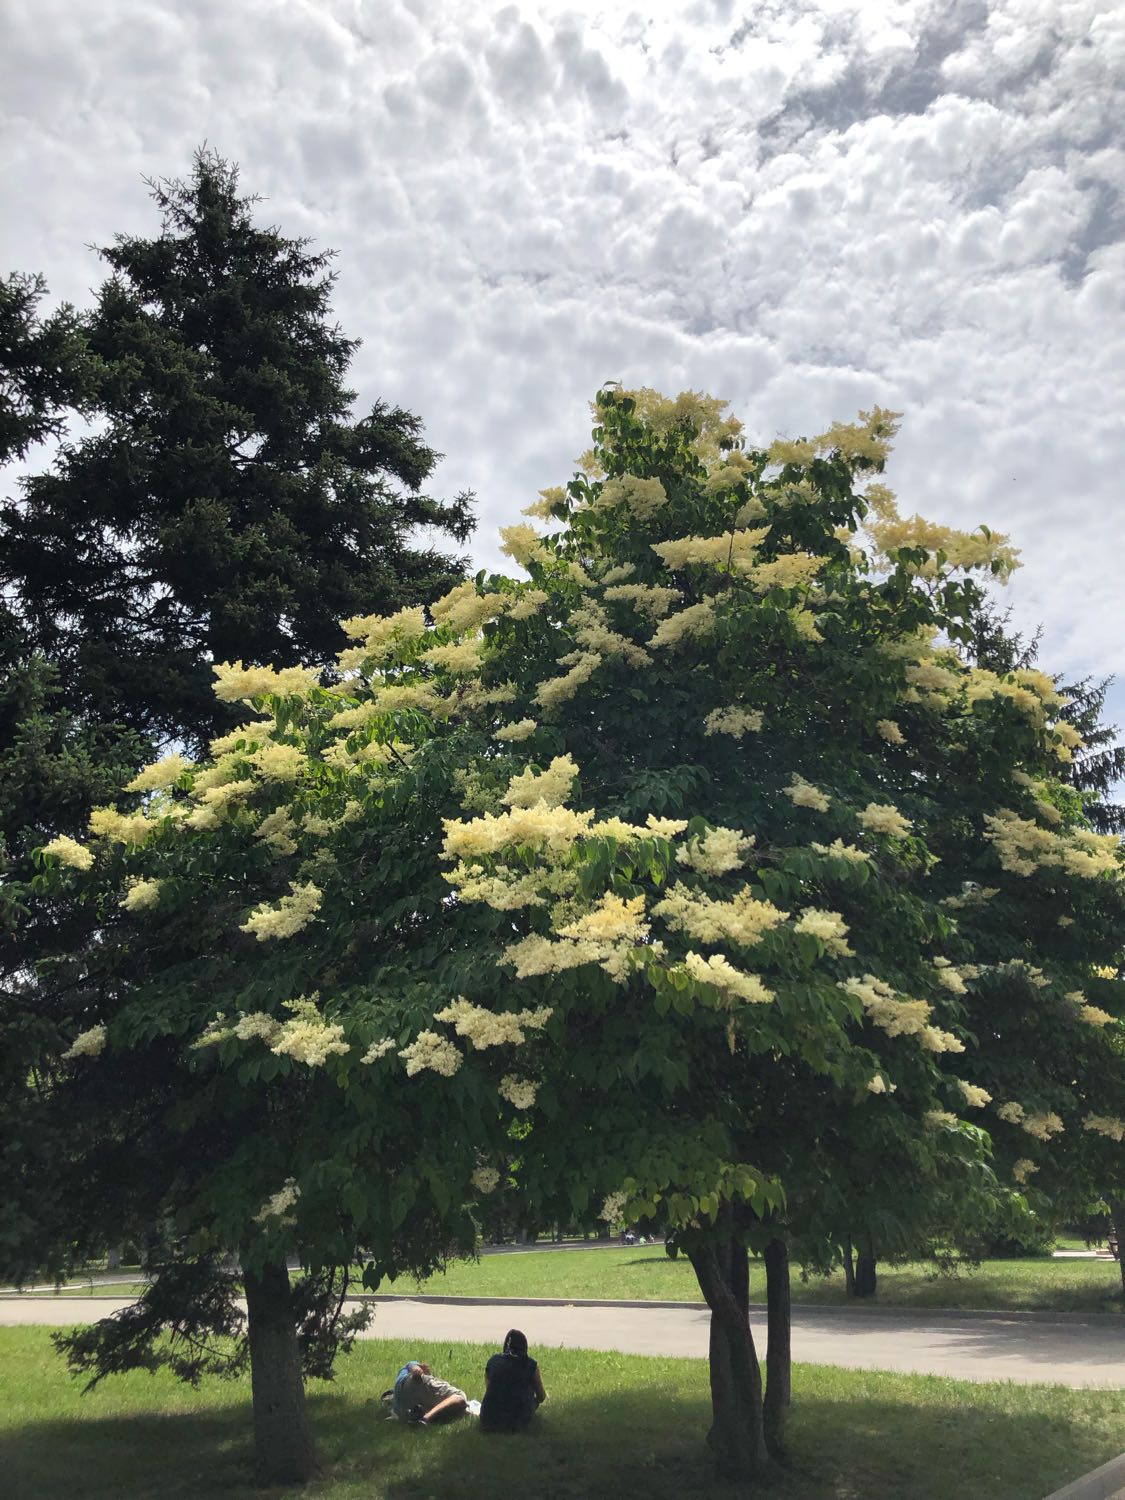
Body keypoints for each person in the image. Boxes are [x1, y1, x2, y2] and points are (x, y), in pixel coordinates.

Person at [390, 1360, 468, 1425]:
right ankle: (425, 1419)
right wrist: (417, 1369)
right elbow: (410, 1364)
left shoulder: (397, 1398)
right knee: (459, 1396)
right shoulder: (404, 1374)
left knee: (450, 1406)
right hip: (414, 1383)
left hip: (406, 1404)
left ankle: (424, 1416)